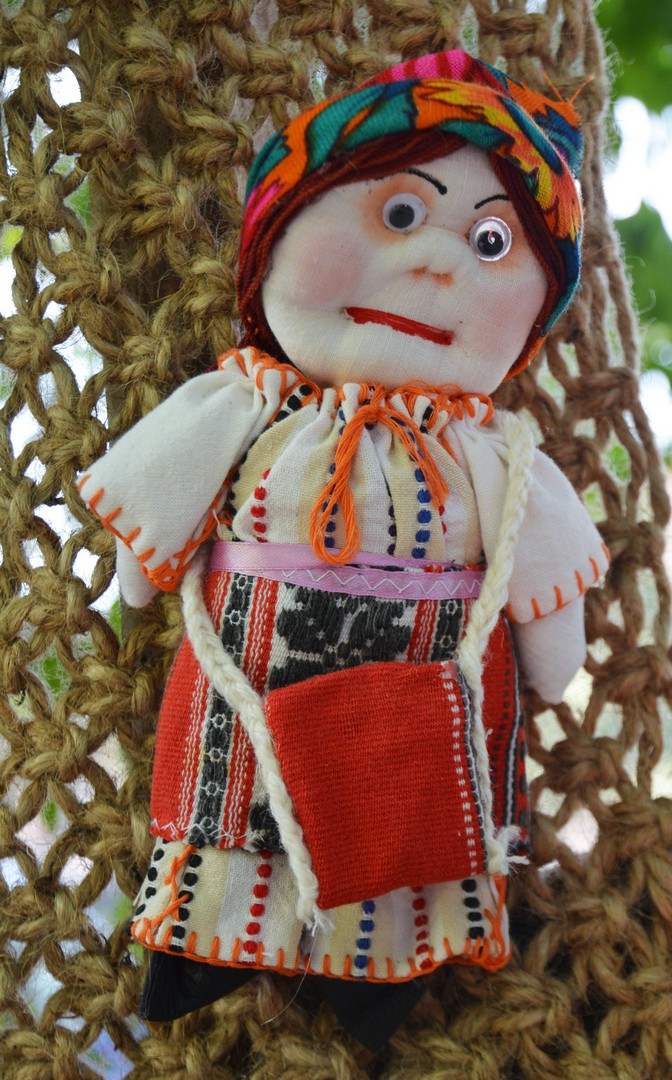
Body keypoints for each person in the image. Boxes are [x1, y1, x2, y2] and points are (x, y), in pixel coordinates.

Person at [78, 50, 608, 1049]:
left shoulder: (493, 452)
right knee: (236, 807)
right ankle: (205, 948)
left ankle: (387, 981)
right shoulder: (250, 401)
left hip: (429, 685)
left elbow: (539, 575)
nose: (440, 263)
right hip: (250, 676)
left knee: (413, 828)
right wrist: (143, 564)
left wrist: (552, 636)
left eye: (492, 241)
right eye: (400, 213)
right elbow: (167, 498)